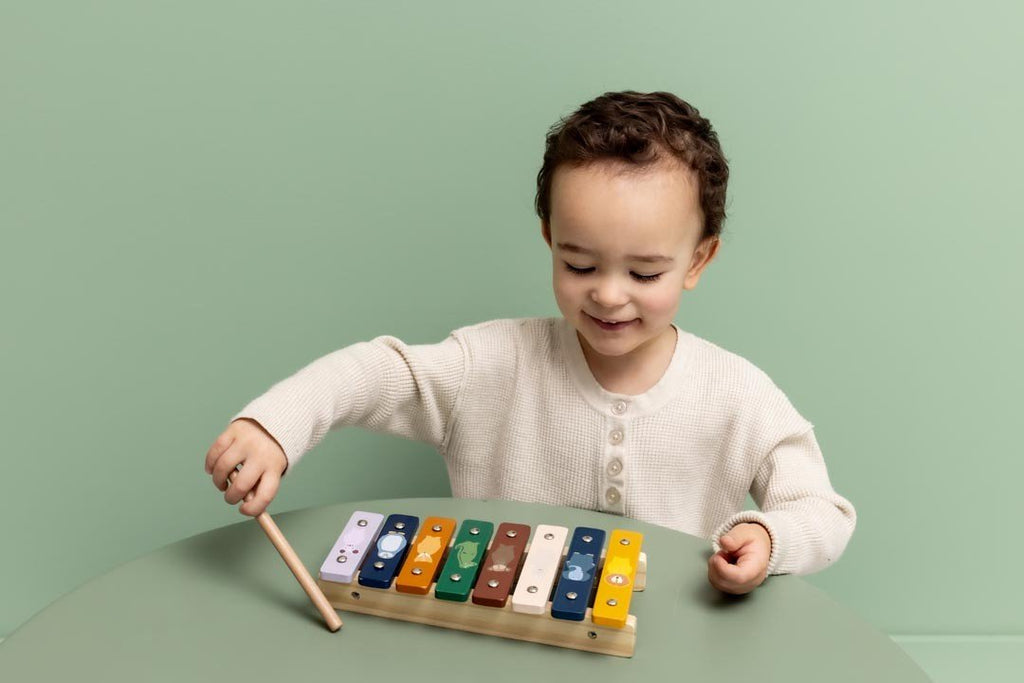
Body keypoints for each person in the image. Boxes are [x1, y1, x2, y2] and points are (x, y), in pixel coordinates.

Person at [204, 90, 856, 595]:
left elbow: (821, 511)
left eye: (645, 272)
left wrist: (767, 537)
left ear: (699, 259)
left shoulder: (736, 394)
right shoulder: (492, 365)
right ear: (549, 240)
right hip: (500, 641)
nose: (607, 293)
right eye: (579, 265)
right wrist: (275, 425)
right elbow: (379, 373)